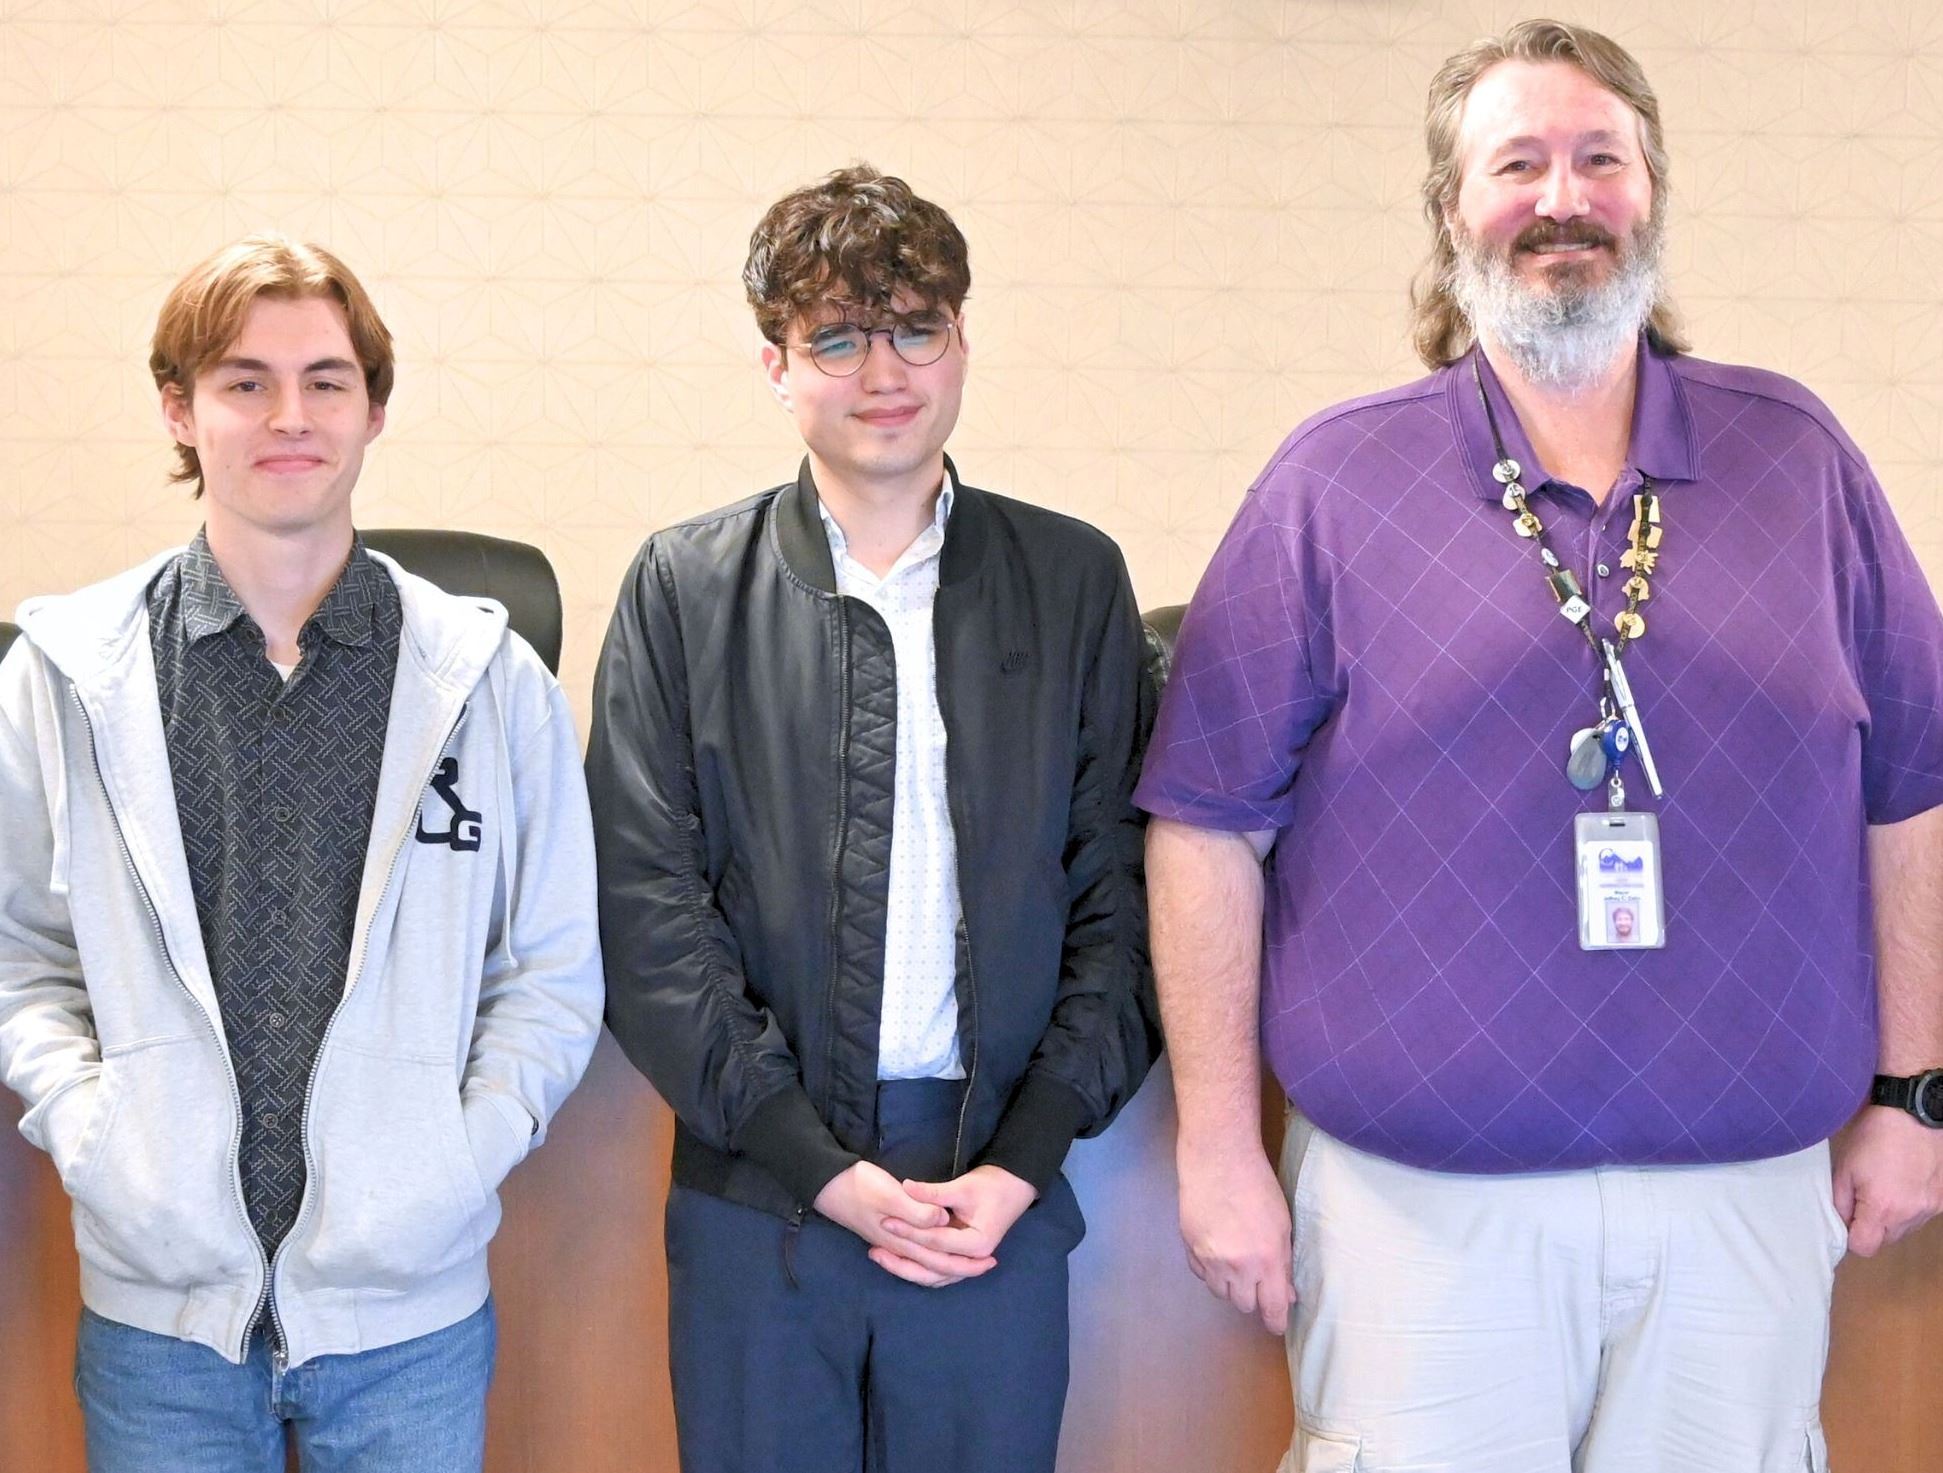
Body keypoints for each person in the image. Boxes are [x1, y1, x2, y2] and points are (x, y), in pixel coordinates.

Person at [1137, 19, 1943, 1472]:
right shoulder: (1334, 480)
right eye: (1514, 163)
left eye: (1597, 159)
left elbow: (1913, 795)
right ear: (1449, 210)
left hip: (1745, 1192)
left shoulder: (1798, 459)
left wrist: (1911, 1091)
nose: (1558, 197)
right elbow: (1201, 823)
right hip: (1416, 1209)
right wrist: (1213, 1148)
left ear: (1648, 195)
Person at [0, 234, 604, 1472]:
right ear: (179, 406)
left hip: (411, 1325)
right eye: (244, 381)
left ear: (375, 408)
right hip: (159, 1327)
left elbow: (549, 972)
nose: (290, 415)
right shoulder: (66, 676)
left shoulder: (490, 684)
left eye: (326, 380)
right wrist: (95, 1135)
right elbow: (21, 955)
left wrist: (455, 1161)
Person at [588, 164, 1158, 1473]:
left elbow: (1117, 896)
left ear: (960, 340)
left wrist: (1019, 1159)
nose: (881, 367)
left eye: (914, 325)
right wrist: (813, 1162)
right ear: (776, 368)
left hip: (991, 1193)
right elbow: (645, 908)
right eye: (835, 337)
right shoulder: (684, 589)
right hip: (760, 1196)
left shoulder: (1069, 580)